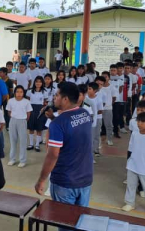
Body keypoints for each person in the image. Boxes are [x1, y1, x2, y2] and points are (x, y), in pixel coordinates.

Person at [35, 82, 93, 220]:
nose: (54, 98)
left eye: (56, 95)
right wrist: (53, 118)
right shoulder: (85, 114)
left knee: (65, 223)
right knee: (81, 221)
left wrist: (42, 180)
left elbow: (53, 155)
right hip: (85, 179)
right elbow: (71, 131)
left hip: (65, 182)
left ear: (65, 99)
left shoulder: (58, 124)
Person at [122, 112, 145, 218]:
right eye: (138, 121)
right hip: (132, 165)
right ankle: (129, 203)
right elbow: (130, 149)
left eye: (142, 121)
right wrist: (129, 161)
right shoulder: (134, 134)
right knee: (131, 185)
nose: (139, 123)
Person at [7, 85, 32, 167]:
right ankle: (12, 159)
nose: (19, 93)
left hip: (22, 121)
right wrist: (14, 117)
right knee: (13, 140)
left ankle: (22, 160)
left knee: (23, 141)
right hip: (13, 121)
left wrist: (24, 120)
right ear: (14, 93)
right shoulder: (10, 101)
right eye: (17, 91)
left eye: (21, 92)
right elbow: (9, 111)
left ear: (23, 93)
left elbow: (28, 113)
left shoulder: (26, 102)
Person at [27, 76, 47, 152]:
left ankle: (37, 144)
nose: (38, 83)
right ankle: (31, 144)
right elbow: (28, 102)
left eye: (40, 82)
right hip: (31, 110)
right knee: (31, 128)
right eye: (36, 81)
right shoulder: (29, 91)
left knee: (39, 128)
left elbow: (45, 102)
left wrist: (43, 109)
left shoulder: (44, 92)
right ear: (34, 82)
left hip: (40, 110)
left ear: (42, 83)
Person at [97, 74, 116, 146]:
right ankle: (97, 142)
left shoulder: (111, 87)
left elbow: (114, 97)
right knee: (98, 126)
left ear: (109, 78)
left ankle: (109, 139)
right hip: (98, 110)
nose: (104, 78)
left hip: (108, 108)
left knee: (109, 125)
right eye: (103, 76)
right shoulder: (96, 88)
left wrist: (109, 104)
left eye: (106, 76)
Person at [86, 82, 103, 159]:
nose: (88, 90)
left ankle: (95, 151)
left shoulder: (98, 99)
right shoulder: (85, 98)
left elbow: (100, 110)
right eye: (88, 88)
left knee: (95, 136)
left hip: (97, 119)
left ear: (95, 90)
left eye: (90, 89)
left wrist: (92, 113)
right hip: (87, 120)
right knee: (89, 138)